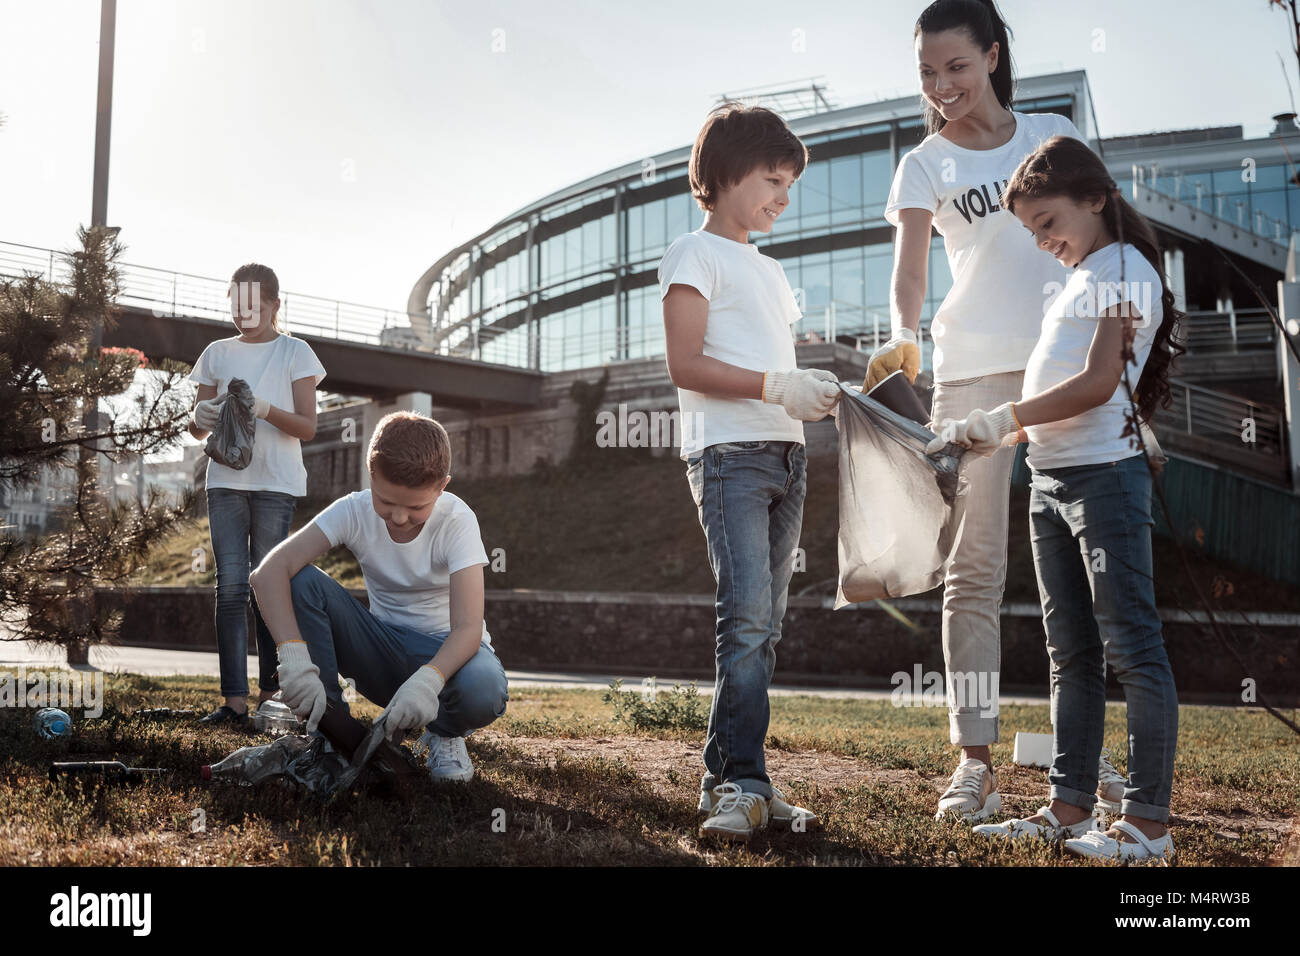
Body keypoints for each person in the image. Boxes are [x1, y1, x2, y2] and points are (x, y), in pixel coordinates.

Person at [869, 0, 1126, 822]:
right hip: (971, 379)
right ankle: (974, 761)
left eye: (957, 66)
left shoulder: (1050, 135)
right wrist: (903, 336)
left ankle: (1083, 760)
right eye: (927, 73)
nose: (943, 86)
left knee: (1081, 572)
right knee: (972, 571)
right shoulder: (924, 165)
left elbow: (1107, 237)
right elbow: (910, 269)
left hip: (1064, 373)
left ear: (991, 54)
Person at [927, 134, 1184, 861]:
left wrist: (1006, 416)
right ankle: (1069, 810)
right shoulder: (1083, 274)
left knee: (1131, 646)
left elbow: (1100, 381)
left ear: (1096, 199)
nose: (1042, 242)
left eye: (1048, 223)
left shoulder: (1125, 268)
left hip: (1104, 477)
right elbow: (1064, 378)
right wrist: (1006, 436)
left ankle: (1148, 827)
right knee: (1069, 652)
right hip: (1049, 478)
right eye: (1032, 230)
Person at [659, 102, 839, 842]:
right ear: (726, 174)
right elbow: (686, 364)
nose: (783, 198)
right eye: (772, 179)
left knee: (764, 631)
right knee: (745, 620)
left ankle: (730, 778)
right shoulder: (691, 254)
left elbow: (772, 359)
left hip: (787, 453)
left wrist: (815, 389)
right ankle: (744, 781)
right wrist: (774, 387)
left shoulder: (771, 270)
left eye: (789, 184)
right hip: (729, 453)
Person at [248, 412, 509, 783]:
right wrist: (292, 657)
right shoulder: (352, 510)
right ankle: (329, 734)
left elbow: (468, 628)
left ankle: (444, 733)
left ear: (442, 487)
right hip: (380, 651)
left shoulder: (458, 520)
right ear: (371, 476)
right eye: (386, 502)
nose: (399, 517)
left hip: (446, 658)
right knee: (300, 578)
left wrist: (429, 680)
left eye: (416, 508)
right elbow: (266, 573)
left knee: (484, 688)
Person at [188, 263, 326, 727]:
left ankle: (271, 694)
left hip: (276, 483)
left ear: (274, 305)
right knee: (229, 588)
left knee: (267, 587)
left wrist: (266, 409)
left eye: (254, 305)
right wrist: (202, 414)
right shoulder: (215, 352)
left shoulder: (296, 352)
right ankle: (233, 702)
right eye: (236, 305)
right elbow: (195, 425)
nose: (243, 313)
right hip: (226, 481)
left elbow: (308, 426)